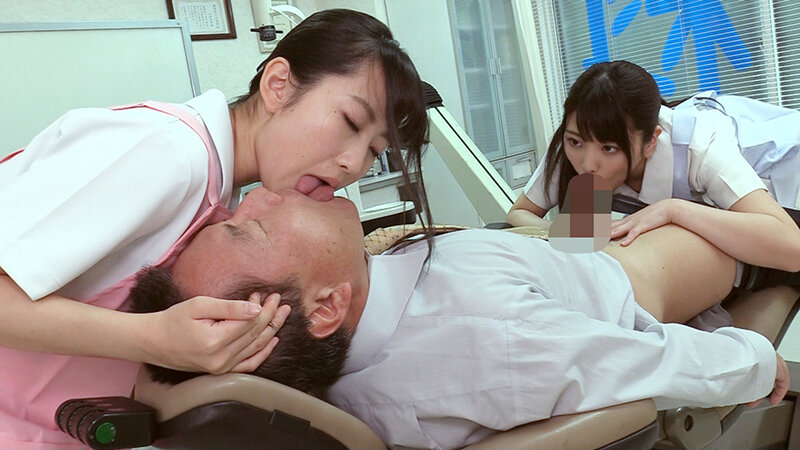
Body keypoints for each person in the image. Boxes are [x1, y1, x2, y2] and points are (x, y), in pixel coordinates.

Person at [0, 9, 433, 447]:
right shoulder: (168, 153)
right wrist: (153, 338)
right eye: (350, 123)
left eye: (374, 150)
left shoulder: (220, 190)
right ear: (278, 86)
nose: (353, 164)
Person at [142, 186, 788, 449]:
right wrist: (759, 362)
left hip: (547, 244)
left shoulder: (364, 294)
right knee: (743, 213)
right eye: (249, 226)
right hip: (646, 261)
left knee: (593, 196)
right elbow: (656, 363)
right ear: (325, 307)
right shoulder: (491, 340)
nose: (260, 195)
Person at [506, 60, 800, 281]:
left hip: (783, 177)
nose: (587, 164)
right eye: (575, 142)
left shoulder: (702, 147)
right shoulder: (580, 142)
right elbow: (520, 213)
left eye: (609, 148)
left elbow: (791, 248)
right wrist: (568, 231)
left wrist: (673, 209)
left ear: (651, 142)